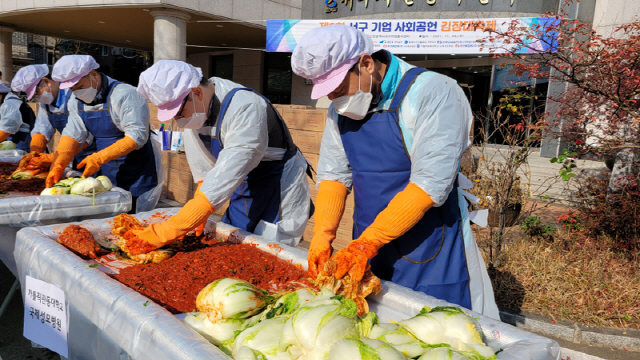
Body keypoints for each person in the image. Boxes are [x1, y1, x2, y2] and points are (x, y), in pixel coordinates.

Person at [291, 25, 498, 317]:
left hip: (429, 242)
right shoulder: (341, 109)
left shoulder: (433, 91)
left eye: (339, 90)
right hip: (368, 235)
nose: (336, 101)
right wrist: (323, 235)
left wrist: (369, 242)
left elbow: (430, 184)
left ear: (366, 64)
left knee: (433, 328)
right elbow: (335, 174)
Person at [124, 60, 310, 252]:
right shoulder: (197, 109)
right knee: (232, 240)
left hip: (277, 182)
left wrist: (171, 228)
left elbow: (234, 166)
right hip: (242, 182)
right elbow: (204, 168)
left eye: (179, 113)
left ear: (196, 92)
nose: (178, 122)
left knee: (270, 248)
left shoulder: (245, 107)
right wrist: (199, 207)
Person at [46, 55, 162, 212]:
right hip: (106, 172)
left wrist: (99, 157)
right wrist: (58, 164)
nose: (76, 93)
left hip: (137, 172)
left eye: (79, 87)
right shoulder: (75, 102)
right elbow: (73, 134)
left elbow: (137, 136)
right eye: (72, 89)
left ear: (94, 74)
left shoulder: (125, 94)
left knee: (134, 221)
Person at [10, 64, 97, 166]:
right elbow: (42, 129)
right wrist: (34, 154)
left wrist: (55, 156)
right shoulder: (46, 103)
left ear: (46, 81)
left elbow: (85, 135)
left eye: (36, 92)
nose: (36, 97)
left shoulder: (75, 94)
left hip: (96, 154)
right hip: (76, 157)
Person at [0, 80, 36, 152]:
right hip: (14, 140)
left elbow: (6, 131)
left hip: (21, 142)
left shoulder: (10, 104)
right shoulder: (5, 103)